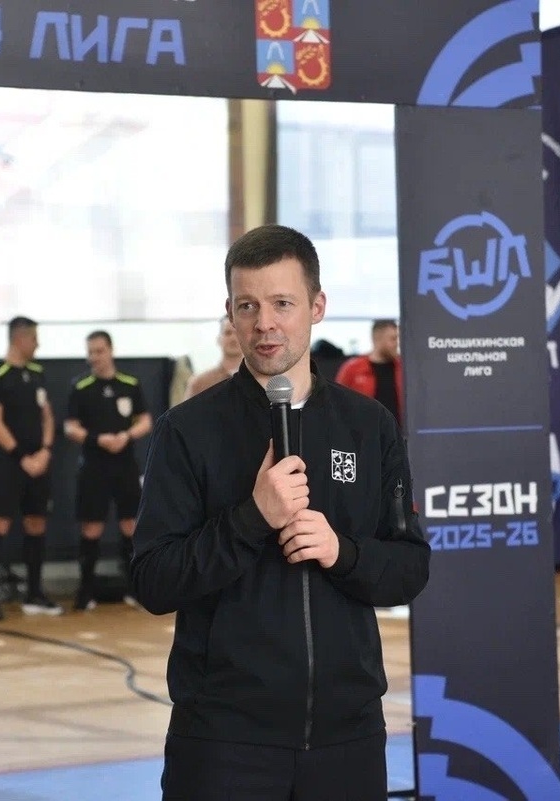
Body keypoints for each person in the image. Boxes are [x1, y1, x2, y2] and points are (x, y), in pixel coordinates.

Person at [131, 224, 430, 801]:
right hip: (223, 740)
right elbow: (154, 580)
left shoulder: (368, 426)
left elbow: (409, 567)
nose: (264, 323)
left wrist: (342, 552)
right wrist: (251, 518)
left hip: (347, 737)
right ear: (230, 313)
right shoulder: (188, 431)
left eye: (282, 304)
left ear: (317, 307)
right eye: (248, 306)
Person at [0, 316, 60, 621]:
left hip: (38, 462)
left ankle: (34, 594)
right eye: (34, 338)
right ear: (19, 338)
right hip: (7, 463)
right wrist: (23, 457)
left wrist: (45, 451)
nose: (38, 344)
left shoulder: (37, 373)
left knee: (36, 522)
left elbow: (47, 416)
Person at [64, 330, 153, 611]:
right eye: (90, 352)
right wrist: (97, 439)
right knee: (92, 526)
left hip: (124, 464)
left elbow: (145, 421)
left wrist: (126, 436)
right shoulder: (81, 386)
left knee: (131, 525)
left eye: (99, 351)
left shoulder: (130, 384)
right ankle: (86, 591)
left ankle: (135, 589)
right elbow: (70, 427)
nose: (95, 357)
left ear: (111, 351)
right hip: (94, 466)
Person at [334, 319, 404, 426]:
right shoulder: (353, 368)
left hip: (397, 431)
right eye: (393, 339)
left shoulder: (402, 368)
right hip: (364, 431)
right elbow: (336, 402)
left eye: (398, 339)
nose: (397, 344)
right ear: (378, 339)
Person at [184, 316, 243, 400]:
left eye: (238, 333)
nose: (233, 338)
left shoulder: (258, 380)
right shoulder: (199, 383)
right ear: (218, 339)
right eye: (228, 333)